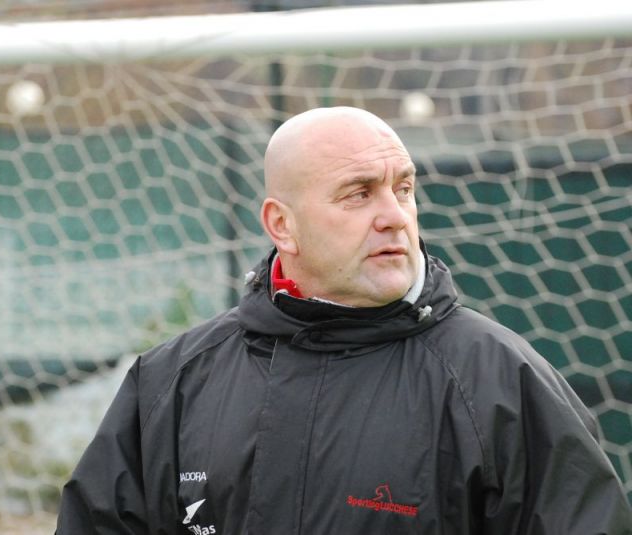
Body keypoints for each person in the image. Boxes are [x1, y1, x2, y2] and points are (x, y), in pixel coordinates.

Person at [56, 107, 632, 534]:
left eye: (403, 188)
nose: (394, 216)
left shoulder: (501, 380)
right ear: (282, 225)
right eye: (359, 194)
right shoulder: (173, 381)